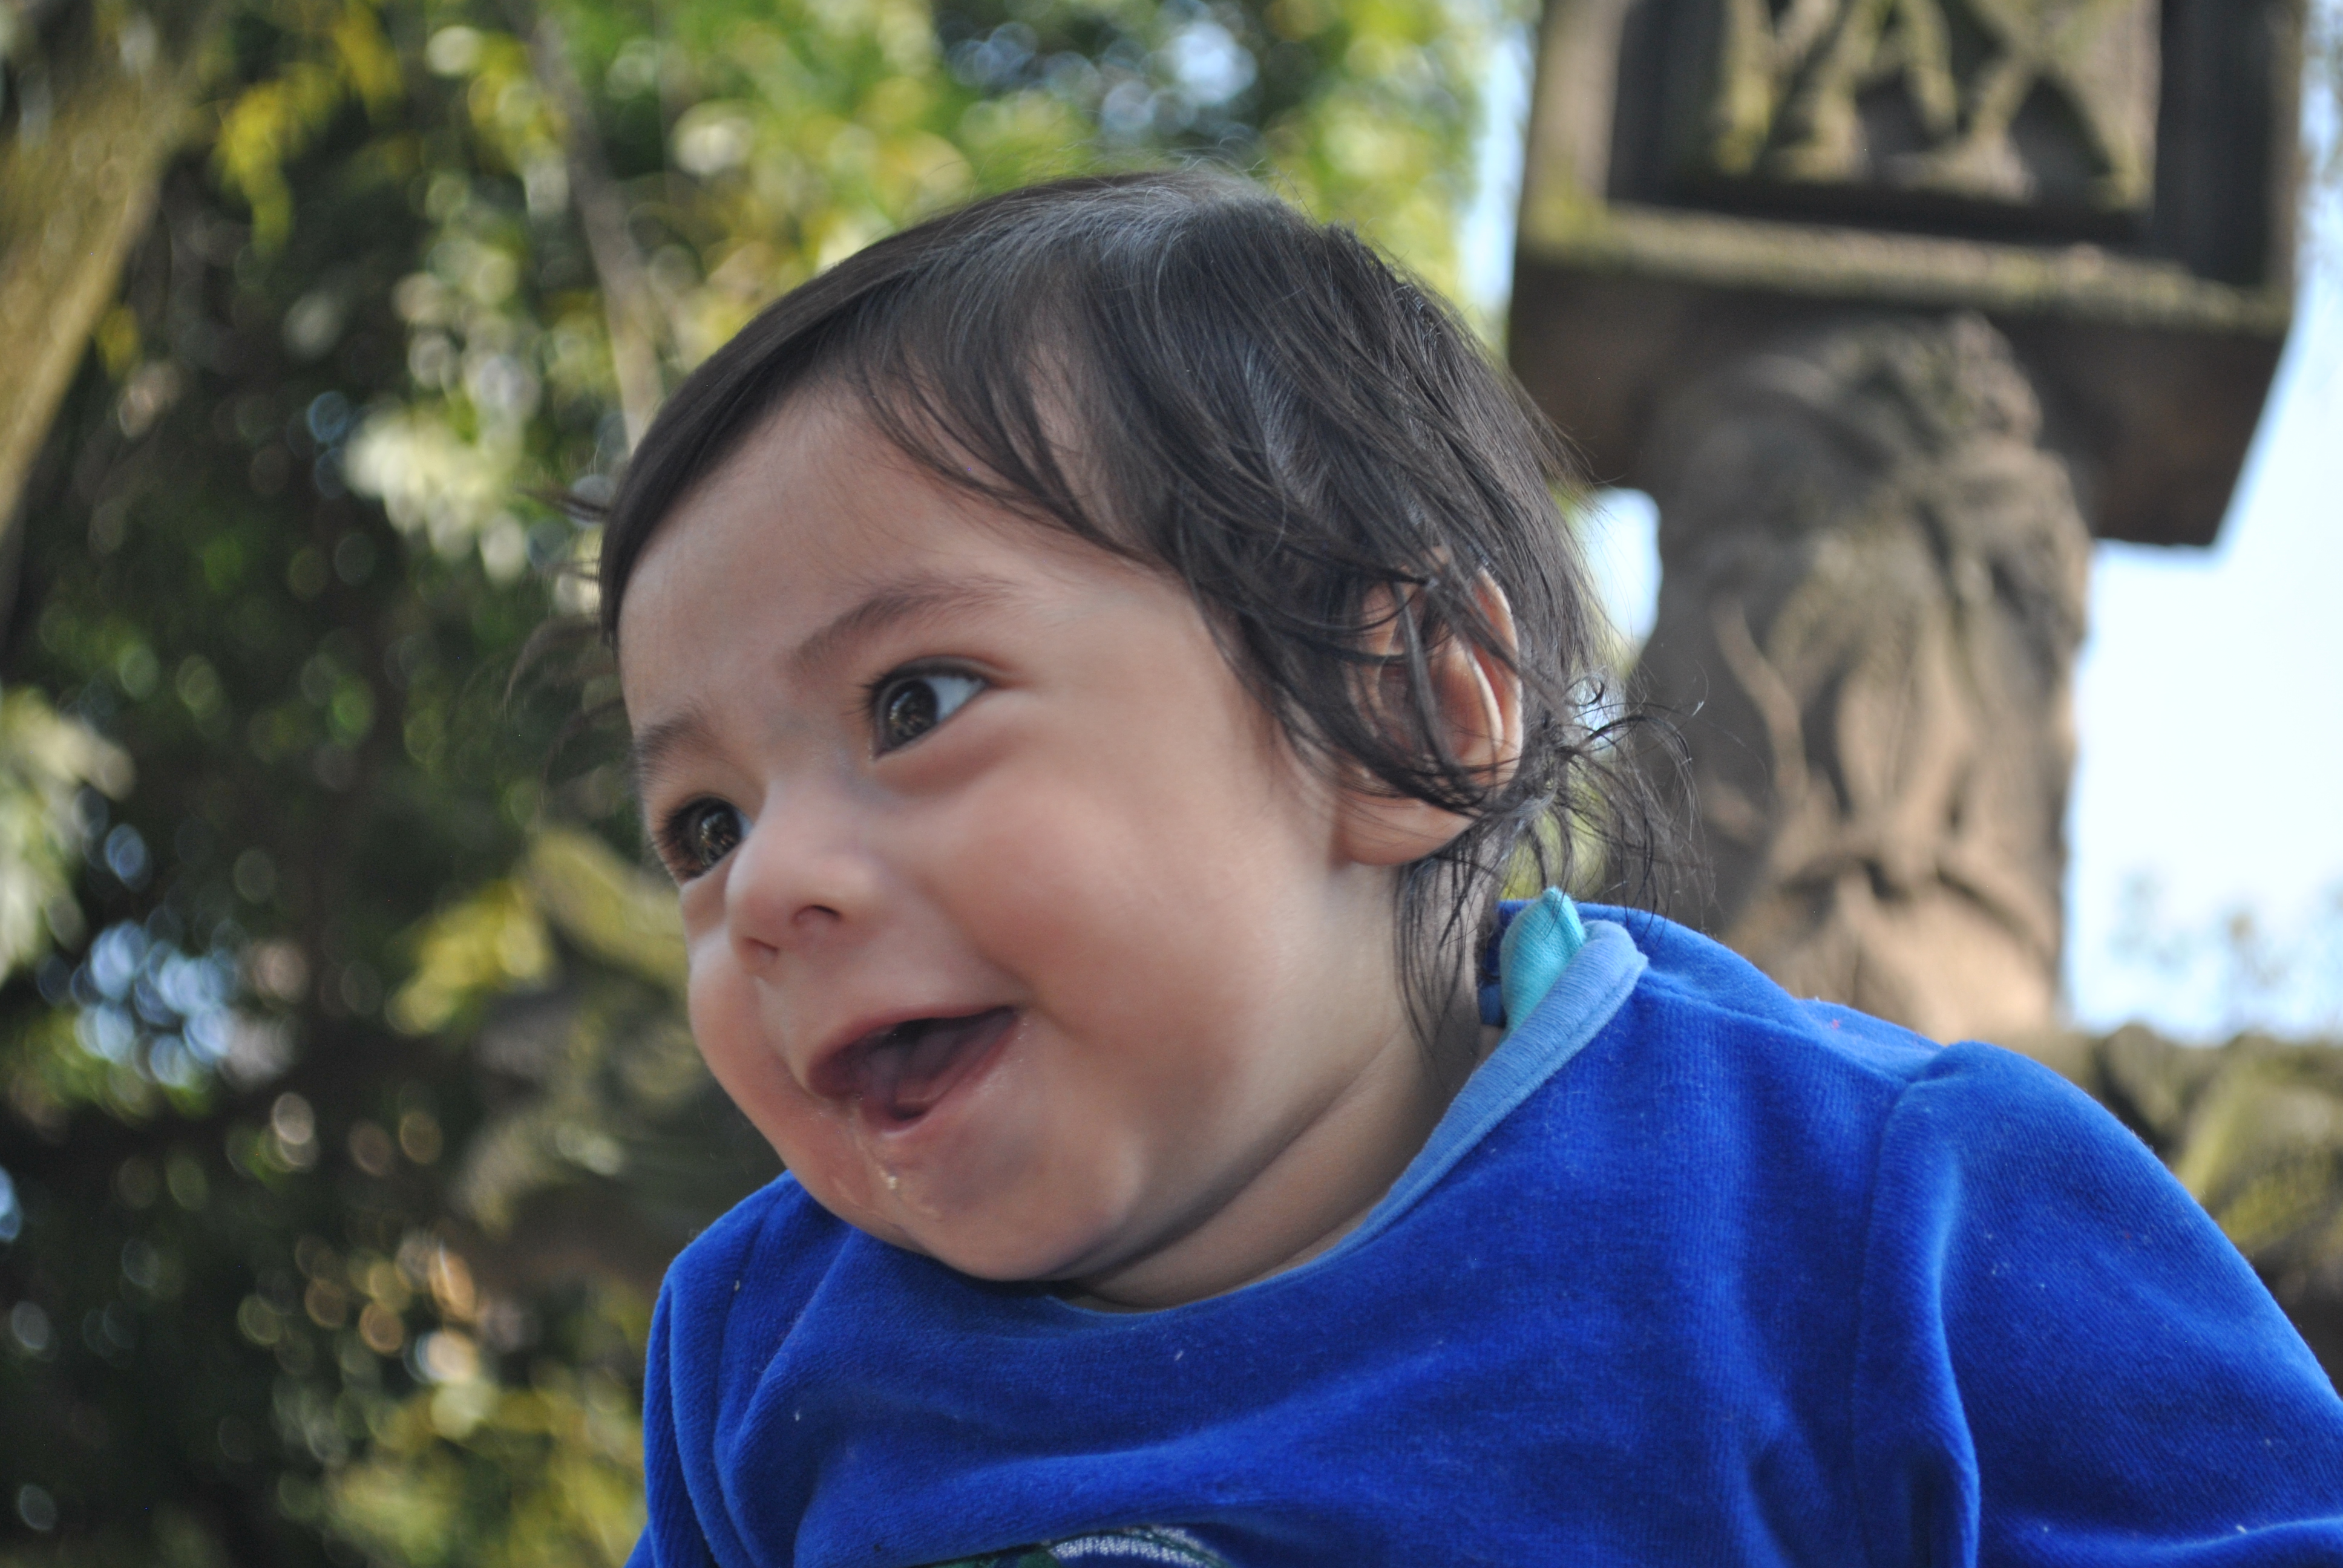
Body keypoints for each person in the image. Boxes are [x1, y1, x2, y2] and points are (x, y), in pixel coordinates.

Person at [599, 171, 2343, 1566]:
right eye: (705, 824)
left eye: (915, 702)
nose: (770, 887)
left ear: (1402, 714)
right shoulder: (765, 1346)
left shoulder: (1879, 1213)